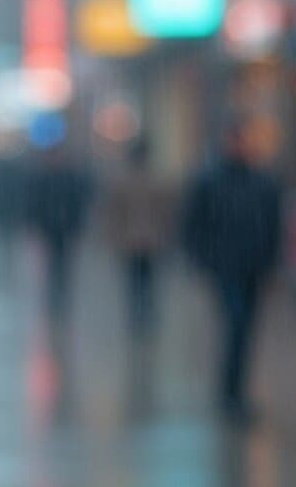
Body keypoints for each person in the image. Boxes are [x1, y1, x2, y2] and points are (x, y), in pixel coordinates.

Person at [181, 120, 282, 421]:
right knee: (236, 324)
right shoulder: (209, 181)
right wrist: (204, 261)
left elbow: (274, 226)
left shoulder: (264, 182)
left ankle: (235, 388)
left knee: (246, 329)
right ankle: (230, 393)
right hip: (225, 268)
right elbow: (193, 226)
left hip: (254, 267)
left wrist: (272, 263)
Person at [100, 138, 177, 342]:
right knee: (146, 282)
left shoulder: (124, 181)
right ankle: (145, 316)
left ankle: (139, 316)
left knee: (136, 282)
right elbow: (166, 214)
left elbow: (114, 214)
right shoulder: (156, 180)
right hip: (148, 241)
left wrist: (115, 236)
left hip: (134, 241)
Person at [27, 146, 93, 320]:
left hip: (66, 228)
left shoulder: (71, 179)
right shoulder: (42, 179)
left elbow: (78, 204)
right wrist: (34, 224)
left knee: (63, 262)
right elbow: (35, 203)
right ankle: (53, 294)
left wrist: (78, 226)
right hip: (49, 227)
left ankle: (62, 293)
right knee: (52, 262)